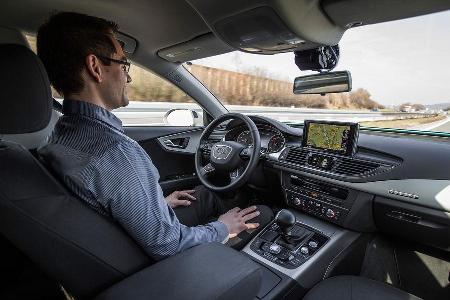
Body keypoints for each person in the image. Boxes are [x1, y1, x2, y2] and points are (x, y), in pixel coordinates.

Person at [36, 12, 272, 261]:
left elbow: (101, 202)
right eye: (123, 64)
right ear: (95, 67)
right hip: (161, 263)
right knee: (263, 214)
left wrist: (153, 204)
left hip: (122, 240)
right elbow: (169, 245)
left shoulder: (61, 133)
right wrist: (224, 228)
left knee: (205, 195)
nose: (128, 77)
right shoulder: (115, 151)